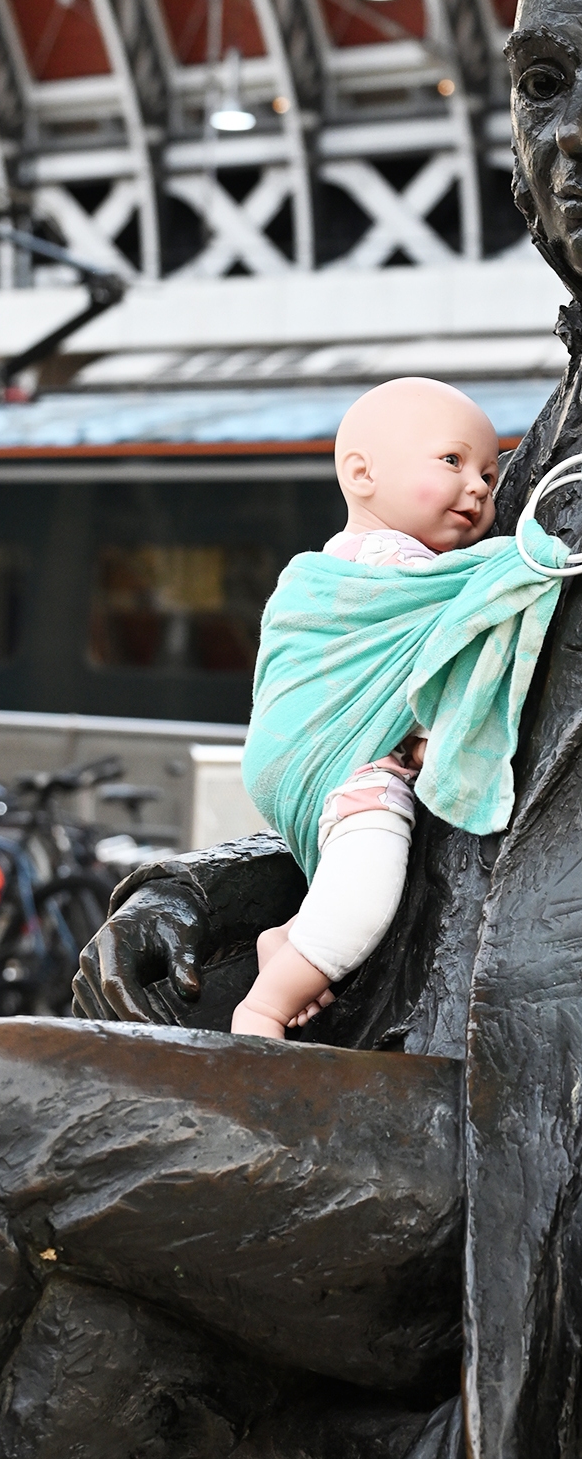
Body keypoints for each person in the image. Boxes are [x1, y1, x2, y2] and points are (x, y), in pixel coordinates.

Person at [0, 0, 582, 1459]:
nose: (569, 141)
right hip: (432, 1119)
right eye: (543, 88)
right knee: (68, 1369)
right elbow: (467, 783)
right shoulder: (548, 441)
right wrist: (254, 884)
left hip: (533, 1162)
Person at [233, 379, 565, 1039]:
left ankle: (290, 939)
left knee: (350, 881)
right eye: (451, 462)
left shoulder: (352, 567)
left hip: (310, 755)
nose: (477, 486)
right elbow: (488, 592)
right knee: (363, 894)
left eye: (489, 473)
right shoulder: (394, 568)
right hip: (343, 763)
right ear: (360, 473)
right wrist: (536, 560)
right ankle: (263, 1008)